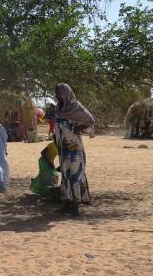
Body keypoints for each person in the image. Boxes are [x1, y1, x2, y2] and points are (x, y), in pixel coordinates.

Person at [54, 83, 94, 217]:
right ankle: (67, 203)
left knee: (74, 174)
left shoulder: (75, 106)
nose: (57, 96)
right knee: (65, 173)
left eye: (58, 93)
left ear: (65, 93)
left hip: (74, 147)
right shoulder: (59, 108)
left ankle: (75, 206)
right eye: (56, 93)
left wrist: (77, 129)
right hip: (63, 147)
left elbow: (90, 120)